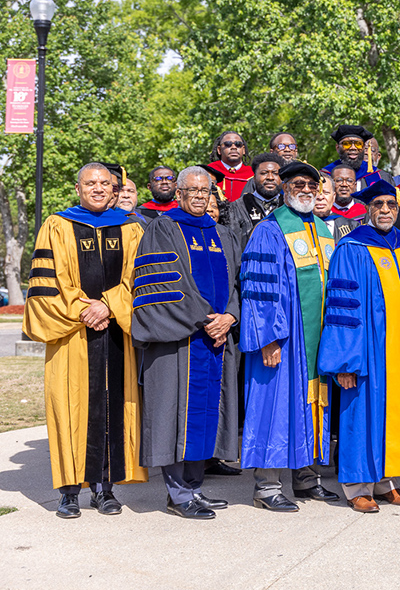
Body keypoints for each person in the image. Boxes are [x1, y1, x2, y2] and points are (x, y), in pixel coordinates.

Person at [25, 163, 147, 518]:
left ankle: (105, 489)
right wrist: (85, 309)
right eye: (90, 183)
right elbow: (51, 281)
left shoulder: (132, 229)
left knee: (114, 405)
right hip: (71, 333)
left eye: (104, 184)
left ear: (114, 190)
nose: (97, 188)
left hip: (115, 333)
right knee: (68, 405)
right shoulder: (57, 225)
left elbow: (138, 280)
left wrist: (108, 306)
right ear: (77, 188)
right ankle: (68, 491)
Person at [133, 166, 240, 520]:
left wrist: (230, 317)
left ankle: (194, 488)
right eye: (191, 190)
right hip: (181, 340)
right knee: (174, 414)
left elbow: (238, 282)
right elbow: (162, 282)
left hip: (216, 341)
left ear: (212, 195)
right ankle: (178, 494)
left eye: (204, 190)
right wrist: (205, 318)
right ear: (179, 193)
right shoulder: (164, 227)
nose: (198, 195)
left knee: (209, 414)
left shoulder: (223, 233)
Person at [318, 179, 400, 512]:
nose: (385, 211)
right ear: (367, 209)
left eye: (391, 205)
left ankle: (384, 480)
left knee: (395, 414)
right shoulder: (351, 249)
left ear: (399, 208)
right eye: (378, 205)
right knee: (361, 414)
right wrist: (344, 363)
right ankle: (355, 486)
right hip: (366, 354)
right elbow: (341, 309)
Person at [238, 161, 339, 512]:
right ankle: (266, 487)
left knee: (313, 404)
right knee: (274, 406)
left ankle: (307, 479)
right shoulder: (270, 229)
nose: (308, 189)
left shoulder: (326, 231)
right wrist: (267, 337)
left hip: (318, 340)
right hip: (284, 339)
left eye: (313, 184)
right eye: (299, 183)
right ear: (284, 188)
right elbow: (259, 289)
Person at [226, 152, 284, 248]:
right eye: (264, 173)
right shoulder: (237, 207)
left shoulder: (288, 207)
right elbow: (232, 247)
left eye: (275, 173)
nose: (270, 177)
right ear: (254, 178)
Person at [208, 131, 254, 202]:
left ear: (243, 150)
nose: (233, 147)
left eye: (238, 144)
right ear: (219, 150)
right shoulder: (209, 172)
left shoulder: (253, 174)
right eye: (228, 144)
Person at [315, 174, 357, 241]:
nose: (320, 197)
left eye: (326, 192)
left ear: (334, 196)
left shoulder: (352, 226)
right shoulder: (300, 225)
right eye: (316, 192)